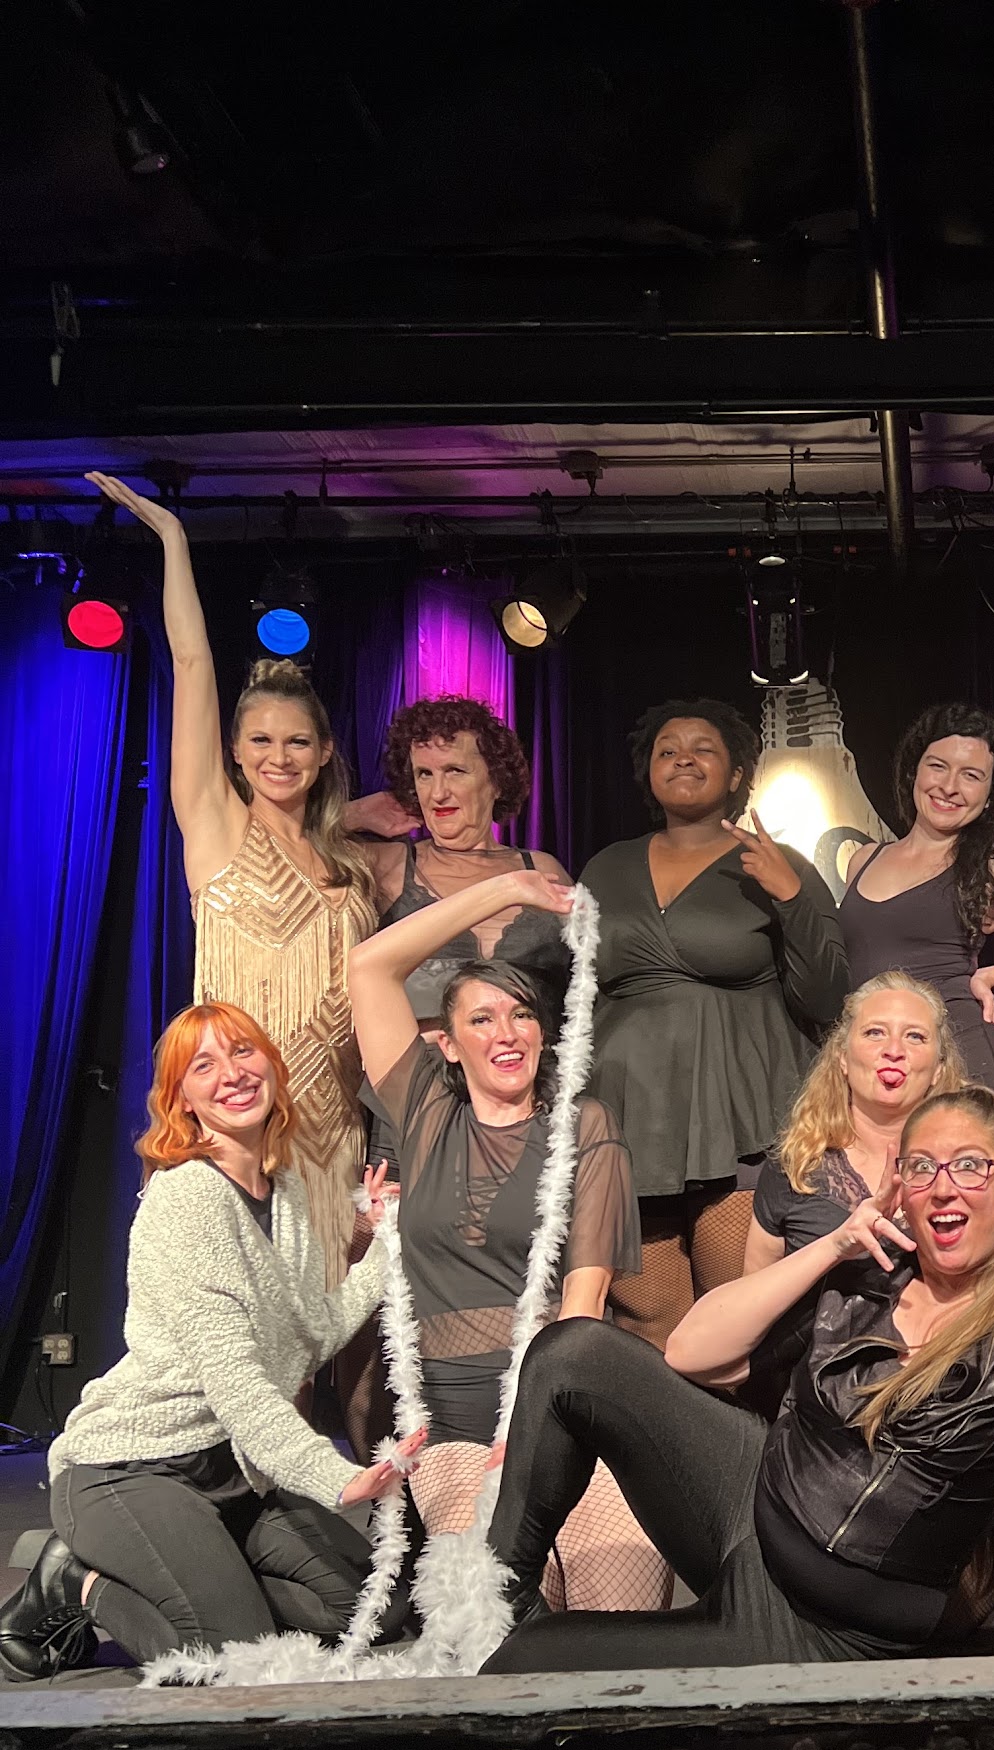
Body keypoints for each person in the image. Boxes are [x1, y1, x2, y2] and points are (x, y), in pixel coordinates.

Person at [476, 1087, 994, 1671]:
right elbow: (690, 1351)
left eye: (971, 1165)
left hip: (818, 1629)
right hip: (750, 1500)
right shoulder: (870, 1279)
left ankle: (507, 1649)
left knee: (521, 1668)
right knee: (574, 1354)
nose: (944, 1186)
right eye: (922, 1167)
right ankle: (487, 1606)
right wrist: (833, 1247)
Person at [0, 1006, 410, 1678]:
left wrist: (387, 1245)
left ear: (271, 1066)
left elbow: (308, 1337)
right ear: (181, 1099)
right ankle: (74, 1581)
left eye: (243, 1052)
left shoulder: (284, 1192)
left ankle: (208, 1578)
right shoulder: (188, 1198)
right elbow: (238, 1383)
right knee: (234, 1659)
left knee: (377, 1610)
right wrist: (336, 1476)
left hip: (231, 1474)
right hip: (131, 1469)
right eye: (204, 1065)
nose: (232, 1074)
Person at [85, 474, 378, 1299]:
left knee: (337, 1328)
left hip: (337, 1129)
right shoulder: (218, 828)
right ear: (237, 752)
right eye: (260, 741)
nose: (278, 756)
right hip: (244, 1120)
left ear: (324, 752)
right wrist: (174, 541)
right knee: (244, 1324)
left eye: (297, 741)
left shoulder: (350, 863)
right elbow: (190, 661)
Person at [346, 870, 670, 1614]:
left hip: (559, 1413)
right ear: (447, 1044)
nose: (507, 1033)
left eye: (522, 1014)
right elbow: (369, 967)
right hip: (451, 1428)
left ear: (544, 1032)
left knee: (616, 1603)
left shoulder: (584, 1126)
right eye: (482, 1019)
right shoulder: (425, 1112)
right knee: (497, 1607)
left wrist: (534, 1427)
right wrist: (506, 891)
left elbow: (584, 1302)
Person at [580, 699, 848, 1349]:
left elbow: (829, 996)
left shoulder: (777, 862)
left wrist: (789, 895)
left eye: (703, 748)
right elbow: (575, 991)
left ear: (736, 774)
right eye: (667, 749)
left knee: (735, 1317)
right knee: (648, 1323)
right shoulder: (606, 868)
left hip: (738, 1119)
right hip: (629, 1116)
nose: (683, 759)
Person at [839, 706, 994, 1119]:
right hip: (881, 1066)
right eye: (938, 766)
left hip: (962, 1062)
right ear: (915, 770)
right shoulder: (863, 860)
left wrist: (989, 977)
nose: (949, 786)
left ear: (991, 794)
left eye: (971, 775)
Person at [356, 697, 573, 1036]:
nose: (437, 793)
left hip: (533, 1065)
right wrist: (353, 815)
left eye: (454, 771)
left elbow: (592, 975)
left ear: (496, 781)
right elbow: (279, 851)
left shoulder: (540, 867)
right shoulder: (388, 865)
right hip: (424, 1067)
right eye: (424, 774)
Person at [744, 972, 963, 1271]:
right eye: (875, 1032)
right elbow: (753, 1291)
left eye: (915, 1036)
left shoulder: (971, 1168)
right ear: (843, 1057)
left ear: (939, 1067)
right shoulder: (797, 1164)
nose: (894, 1051)